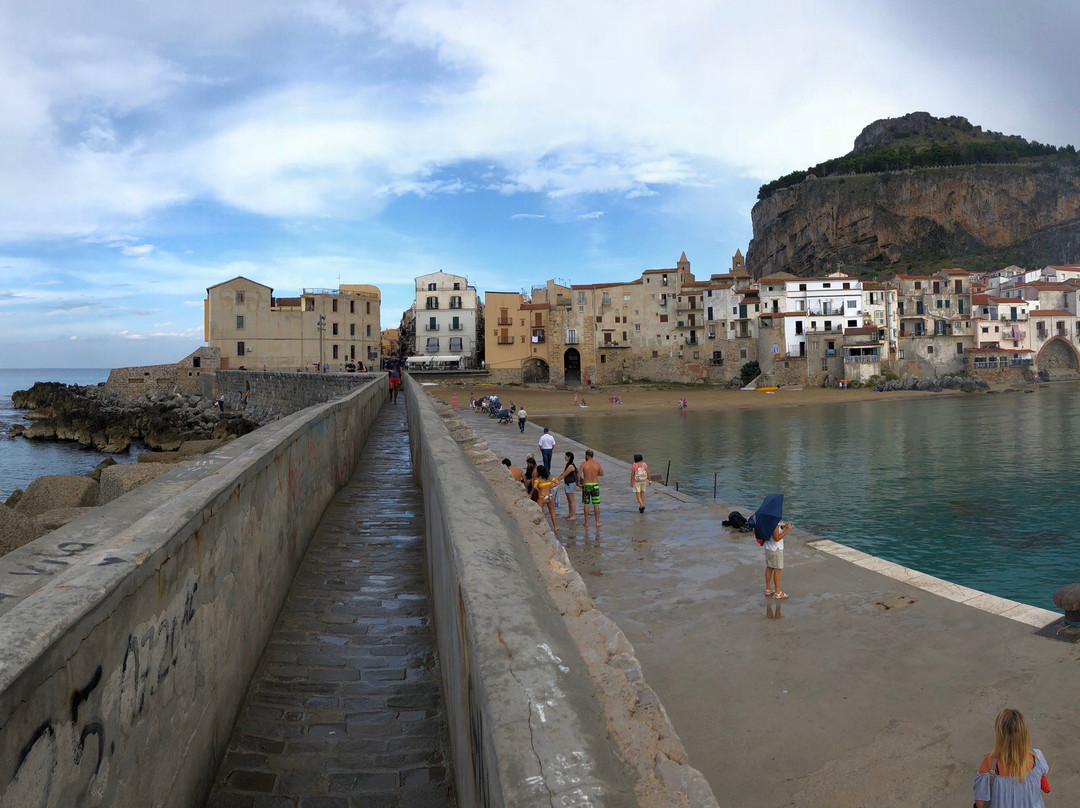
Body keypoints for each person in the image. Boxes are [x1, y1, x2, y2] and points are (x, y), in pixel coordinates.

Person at [974, 708, 1050, 808]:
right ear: (1024, 733)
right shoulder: (1037, 757)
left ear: (1000, 735)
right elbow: (1044, 775)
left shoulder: (990, 762)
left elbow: (980, 802)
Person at [764, 520, 793, 598]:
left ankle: (768, 588)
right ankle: (778, 592)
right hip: (776, 549)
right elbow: (776, 538)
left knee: (769, 567)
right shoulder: (774, 523)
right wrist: (787, 530)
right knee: (777, 569)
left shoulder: (766, 521)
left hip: (768, 547)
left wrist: (782, 527)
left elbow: (774, 531)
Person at [579, 449, 604, 527]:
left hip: (586, 485)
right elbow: (602, 473)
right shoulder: (597, 464)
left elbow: (578, 475)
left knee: (586, 504)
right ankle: (597, 522)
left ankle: (586, 523)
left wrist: (579, 483)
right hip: (595, 485)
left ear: (587, 455)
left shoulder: (583, 464)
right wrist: (595, 474)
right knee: (596, 504)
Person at [534, 466, 559, 532]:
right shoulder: (549, 477)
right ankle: (555, 526)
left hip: (542, 497)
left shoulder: (538, 479)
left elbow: (534, 486)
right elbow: (557, 482)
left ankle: (546, 526)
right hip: (550, 496)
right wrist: (551, 487)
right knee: (552, 511)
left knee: (540, 511)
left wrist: (538, 490)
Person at [558, 451, 578, 520]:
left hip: (571, 484)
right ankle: (570, 514)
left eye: (565, 456)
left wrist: (557, 481)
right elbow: (563, 474)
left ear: (569, 457)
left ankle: (573, 515)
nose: (565, 457)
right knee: (569, 500)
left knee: (571, 500)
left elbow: (564, 475)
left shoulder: (571, 466)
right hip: (568, 484)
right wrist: (556, 478)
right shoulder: (568, 464)